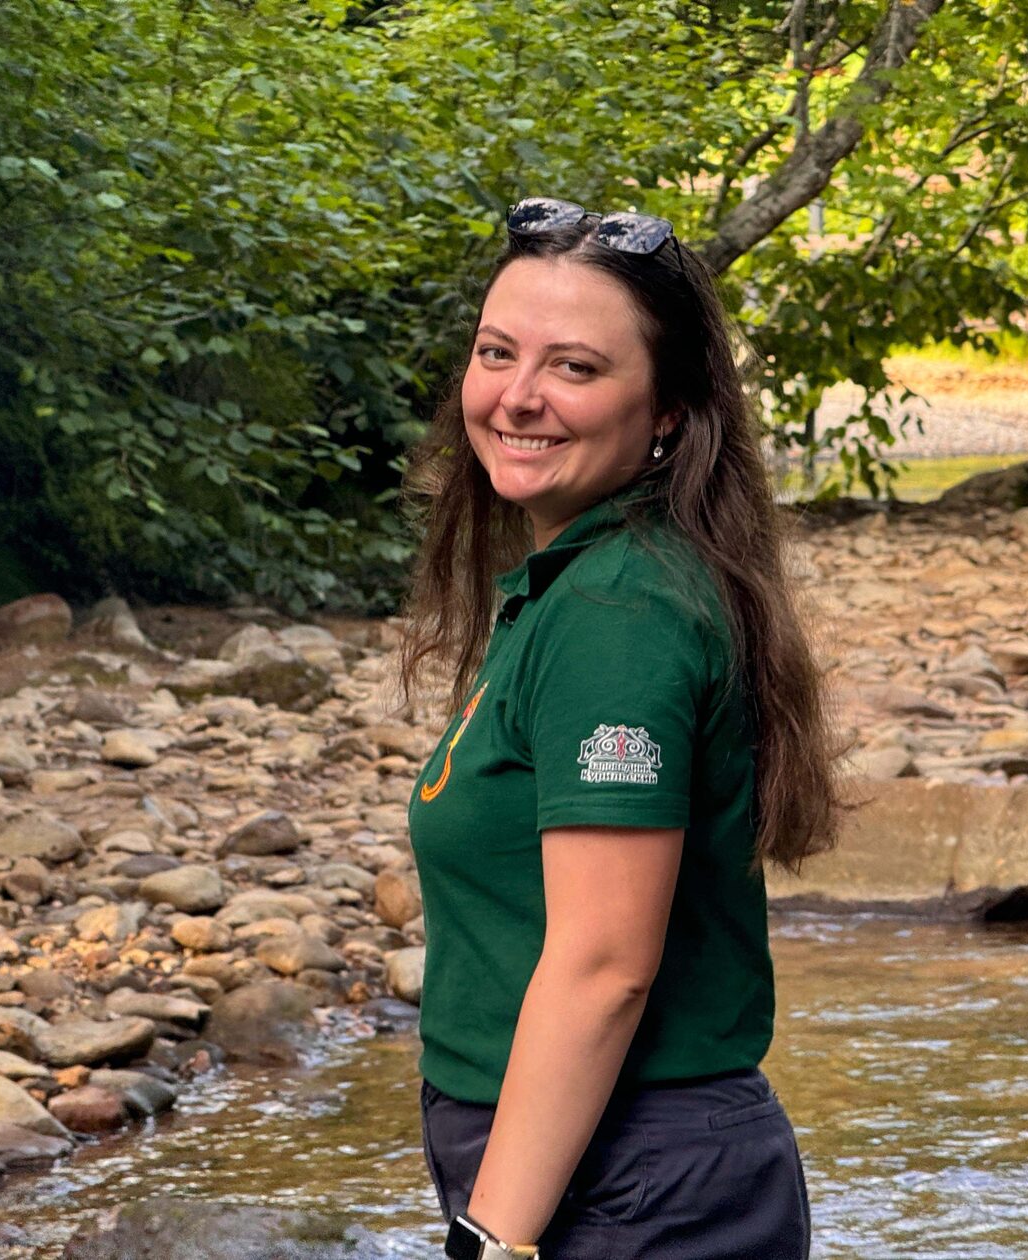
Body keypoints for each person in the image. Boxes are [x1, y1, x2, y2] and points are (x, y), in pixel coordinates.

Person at [398, 198, 840, 1260]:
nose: (518, 396)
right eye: (497, 352)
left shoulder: (618, 614)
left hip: (631, 1189)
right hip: (613, 1175)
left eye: (576, 367)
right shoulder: (586, 581)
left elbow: (605, 968)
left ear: (669, 411)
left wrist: (492, 1240)